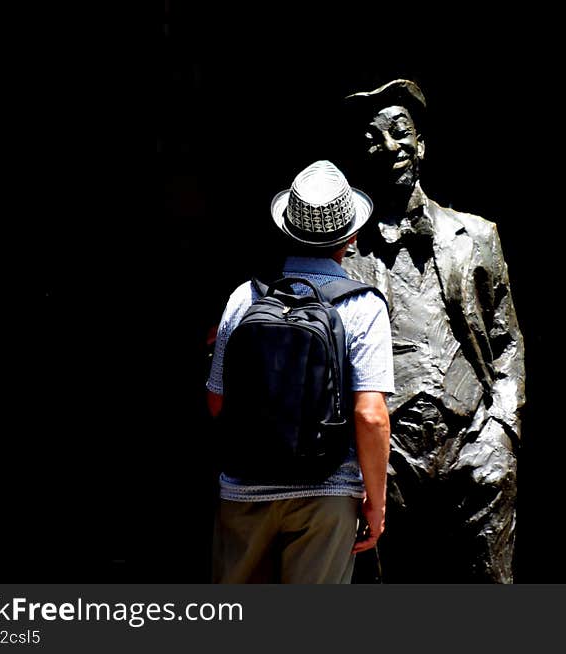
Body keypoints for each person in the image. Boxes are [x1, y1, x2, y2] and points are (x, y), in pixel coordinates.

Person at [340, 79, 525, 582]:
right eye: (373, 139)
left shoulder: (477, 237)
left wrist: (501, 429)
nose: (391, 147)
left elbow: (507, 344)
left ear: (421, 143)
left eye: (401, 132)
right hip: (382, 449)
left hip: (471, 438)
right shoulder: (342, 256)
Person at [206, 160, 394, 584]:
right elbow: (370, 415)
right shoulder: (364, 306)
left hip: (242, 494)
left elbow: (217, 400)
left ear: (287, 229)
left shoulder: (245, 296)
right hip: (326, 500)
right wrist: (376, 504)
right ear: (351, 236)